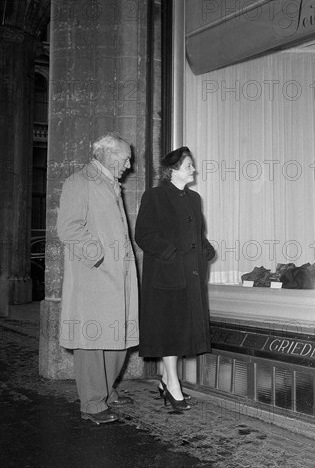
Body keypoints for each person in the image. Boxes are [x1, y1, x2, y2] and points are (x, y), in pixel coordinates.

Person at [57, 132, 139, 424]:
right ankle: (92, 404)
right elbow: (68, 227)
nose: (129, 164)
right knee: (92, 341)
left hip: (116, 277)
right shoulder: (80, 181)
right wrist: (99, 255)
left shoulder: (110, 184)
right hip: (95, 277)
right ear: (106, 154)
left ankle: (105, 392)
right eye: (125, 158)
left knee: (116, 338)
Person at [135, 146, 215, 411]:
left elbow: (196, 234)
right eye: (189, 165)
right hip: (166, 275)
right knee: (170, 331)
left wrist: (205, 248)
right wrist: (171, 254)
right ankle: (172, 385)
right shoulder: (155, 196)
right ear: (172, 170)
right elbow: (144, 235)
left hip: (190, 275)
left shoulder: (194, 198)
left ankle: (168, 381)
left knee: (182, 331)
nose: (194, 170)